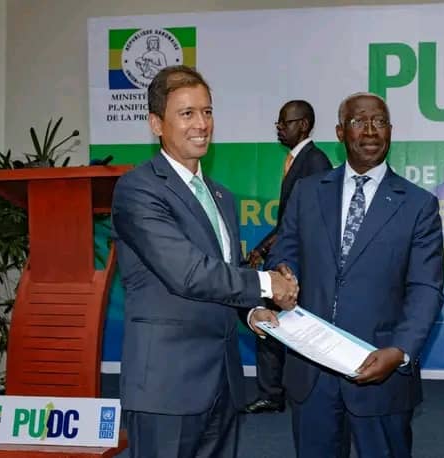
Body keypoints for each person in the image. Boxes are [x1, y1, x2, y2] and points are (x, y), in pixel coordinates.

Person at [111, 65, 298, 458]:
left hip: (223, 383)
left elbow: (226, 273)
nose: (201, 124)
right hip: (166, 386)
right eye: (187, 113)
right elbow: (189, 273)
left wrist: (251, 313)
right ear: (156, 124)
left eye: (207, 112)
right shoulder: (138, 189)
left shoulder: (222, 196)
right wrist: (268, 284)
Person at [266, 92, 444, 457]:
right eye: (359, 122)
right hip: (312, 373)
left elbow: (426, 288)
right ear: (340, 132)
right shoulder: (307, 192)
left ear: (390, 130)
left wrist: (400, 350)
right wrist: (283, 271)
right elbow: (285, 251)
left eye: (379, 122)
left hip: (381, 371)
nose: (370, 131)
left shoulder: (418, 204)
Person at [245, 100, 333, 414]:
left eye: (286, 122)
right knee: (268, 321)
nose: (279, 128)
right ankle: (274, 392)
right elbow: (288, 221)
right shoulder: (299, 160)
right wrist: (262, 248)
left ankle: (277, 393)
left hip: (299, 264)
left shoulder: (316, 162)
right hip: (286, 256)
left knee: (278, 322)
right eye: (279, 123)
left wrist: (268, 250)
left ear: (304, 125)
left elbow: (309, 221)